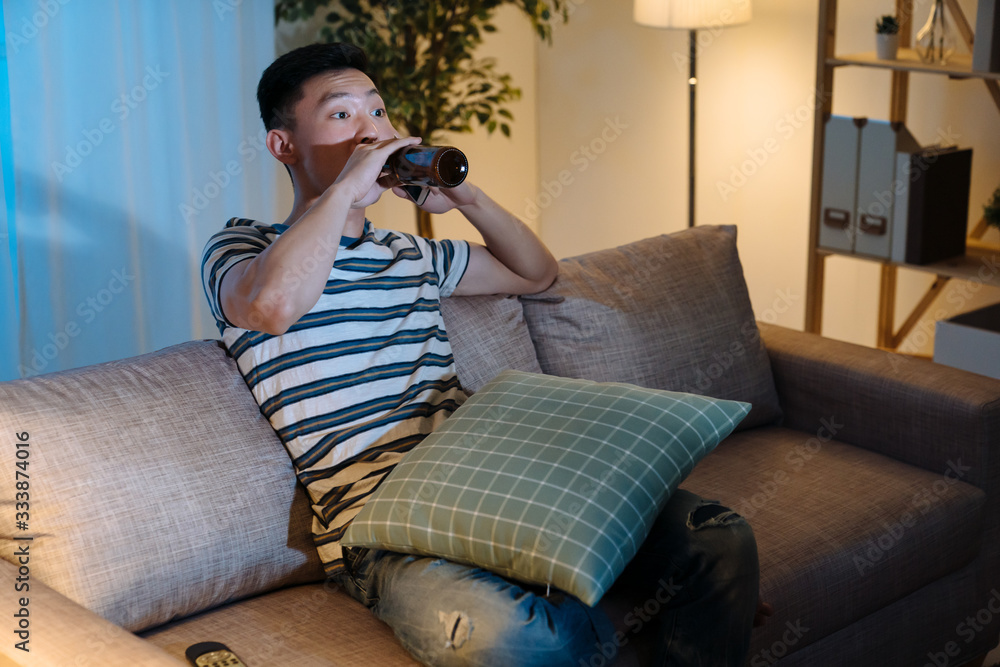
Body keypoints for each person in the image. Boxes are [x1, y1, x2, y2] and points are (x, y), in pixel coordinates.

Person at [201, 42, 767, 667]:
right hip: (386, 530)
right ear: (284, 146)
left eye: (379, 112)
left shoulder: (409, 253)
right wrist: (345, 191)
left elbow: (536, 274)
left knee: (718, 538)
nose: (373, 133)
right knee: (520, 638)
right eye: (342, 116)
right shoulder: (243, 249)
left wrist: (466, 199)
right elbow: (271, 308)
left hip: (497, 484)